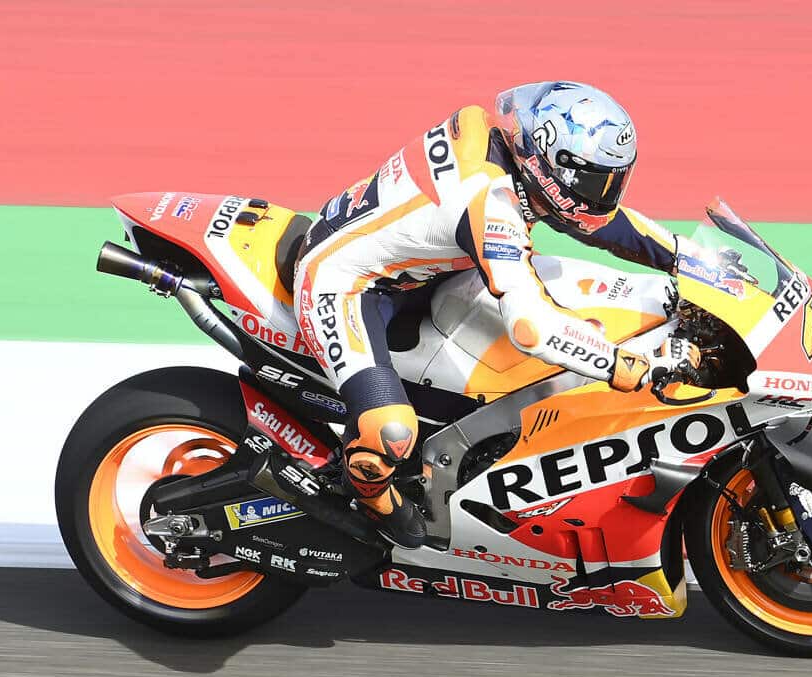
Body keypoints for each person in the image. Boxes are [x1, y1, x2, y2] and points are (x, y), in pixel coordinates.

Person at [293, 81, 701, 548]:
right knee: (390, 430)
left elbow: (600, 223)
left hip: (416, 274)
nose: (603, 193)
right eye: (594, 181)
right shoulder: (490, 200)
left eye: (612, 181)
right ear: (548, 163)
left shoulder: (507, 149)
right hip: (345, 284)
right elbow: (532, 329)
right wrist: (625, 367)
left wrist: (687, 258)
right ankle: (368, 502)